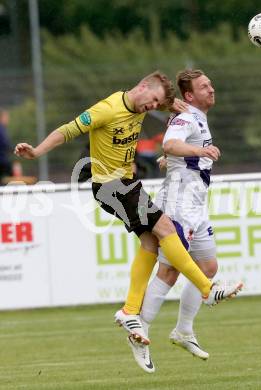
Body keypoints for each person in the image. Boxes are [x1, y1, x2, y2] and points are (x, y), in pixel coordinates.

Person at [14, 71, 239, 351]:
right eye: (152, 101)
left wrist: (173, 104)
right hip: (110, 186)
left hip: (128, 183)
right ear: (142, 87)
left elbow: (163, 99)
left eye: (157, 104)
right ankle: (206, 289)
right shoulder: (106, 110)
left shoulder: (143, 104)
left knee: (150, 241)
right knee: (166, 228)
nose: (151, 107)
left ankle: (131, 310)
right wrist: (36, 152)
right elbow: (67, 130)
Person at [127, 69, 243, 373]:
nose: (212, 89)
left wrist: (186, 157)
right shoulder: (186, 117)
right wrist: (196, 151)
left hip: (196, 205)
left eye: (211, 84)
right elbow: (170, 143)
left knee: (208, 266)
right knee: (169, 270)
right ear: (189, 95)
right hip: (178, 204)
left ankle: (183, 330)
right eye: (205, 86)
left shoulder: (197, 116)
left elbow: (177, 152)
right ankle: (140, 332)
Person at [0, 108, 12, 183]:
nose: (8, 119)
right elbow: (5, 144)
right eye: (6, 117)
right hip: (2, 162)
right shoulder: (1, 129)